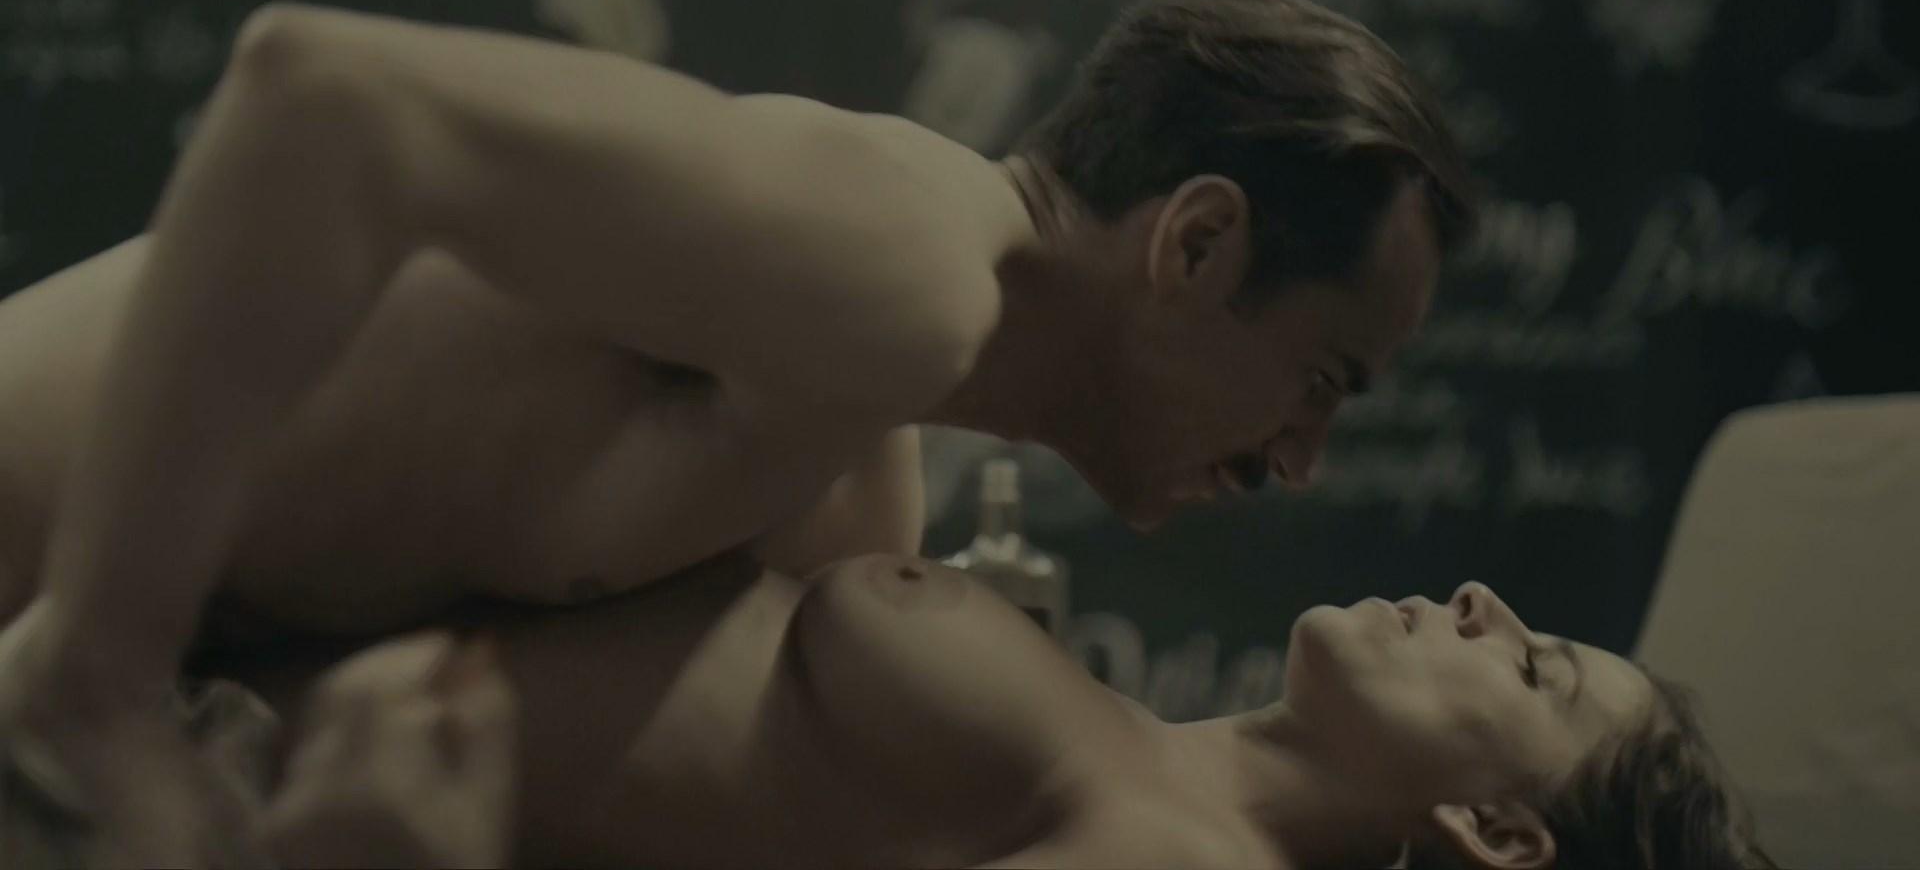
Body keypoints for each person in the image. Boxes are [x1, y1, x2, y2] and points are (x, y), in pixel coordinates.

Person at [0, 0, 1476, 861]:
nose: (1303, 460)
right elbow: (323, 96)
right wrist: (99, 675)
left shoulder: (855, 477)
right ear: (1199, 246)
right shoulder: (900, 262)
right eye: (1325, 378)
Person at [26, 552, 1771, 869]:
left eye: (1532, 668)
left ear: (1497, 833)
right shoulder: (1153, 765)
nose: (1482, 603)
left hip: (178, 814)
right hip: (151, 703)